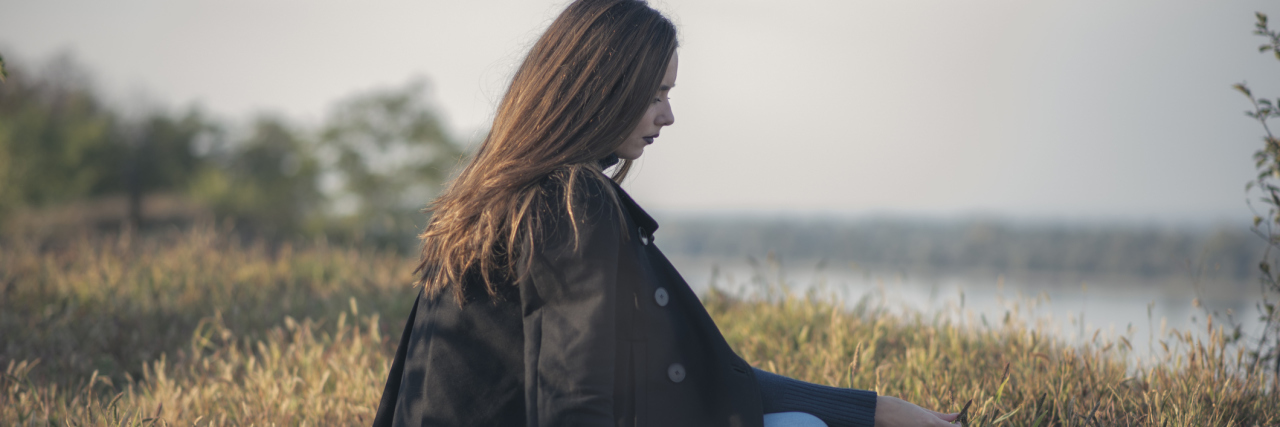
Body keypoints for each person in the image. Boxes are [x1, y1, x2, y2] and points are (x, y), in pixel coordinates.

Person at [372, 1, 961, 426]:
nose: (668, 116)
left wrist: (875, 411)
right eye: (655, 94)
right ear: (599, 91)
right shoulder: (573, 205)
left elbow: (694, 373)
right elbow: (575, 400)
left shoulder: (497, 200)